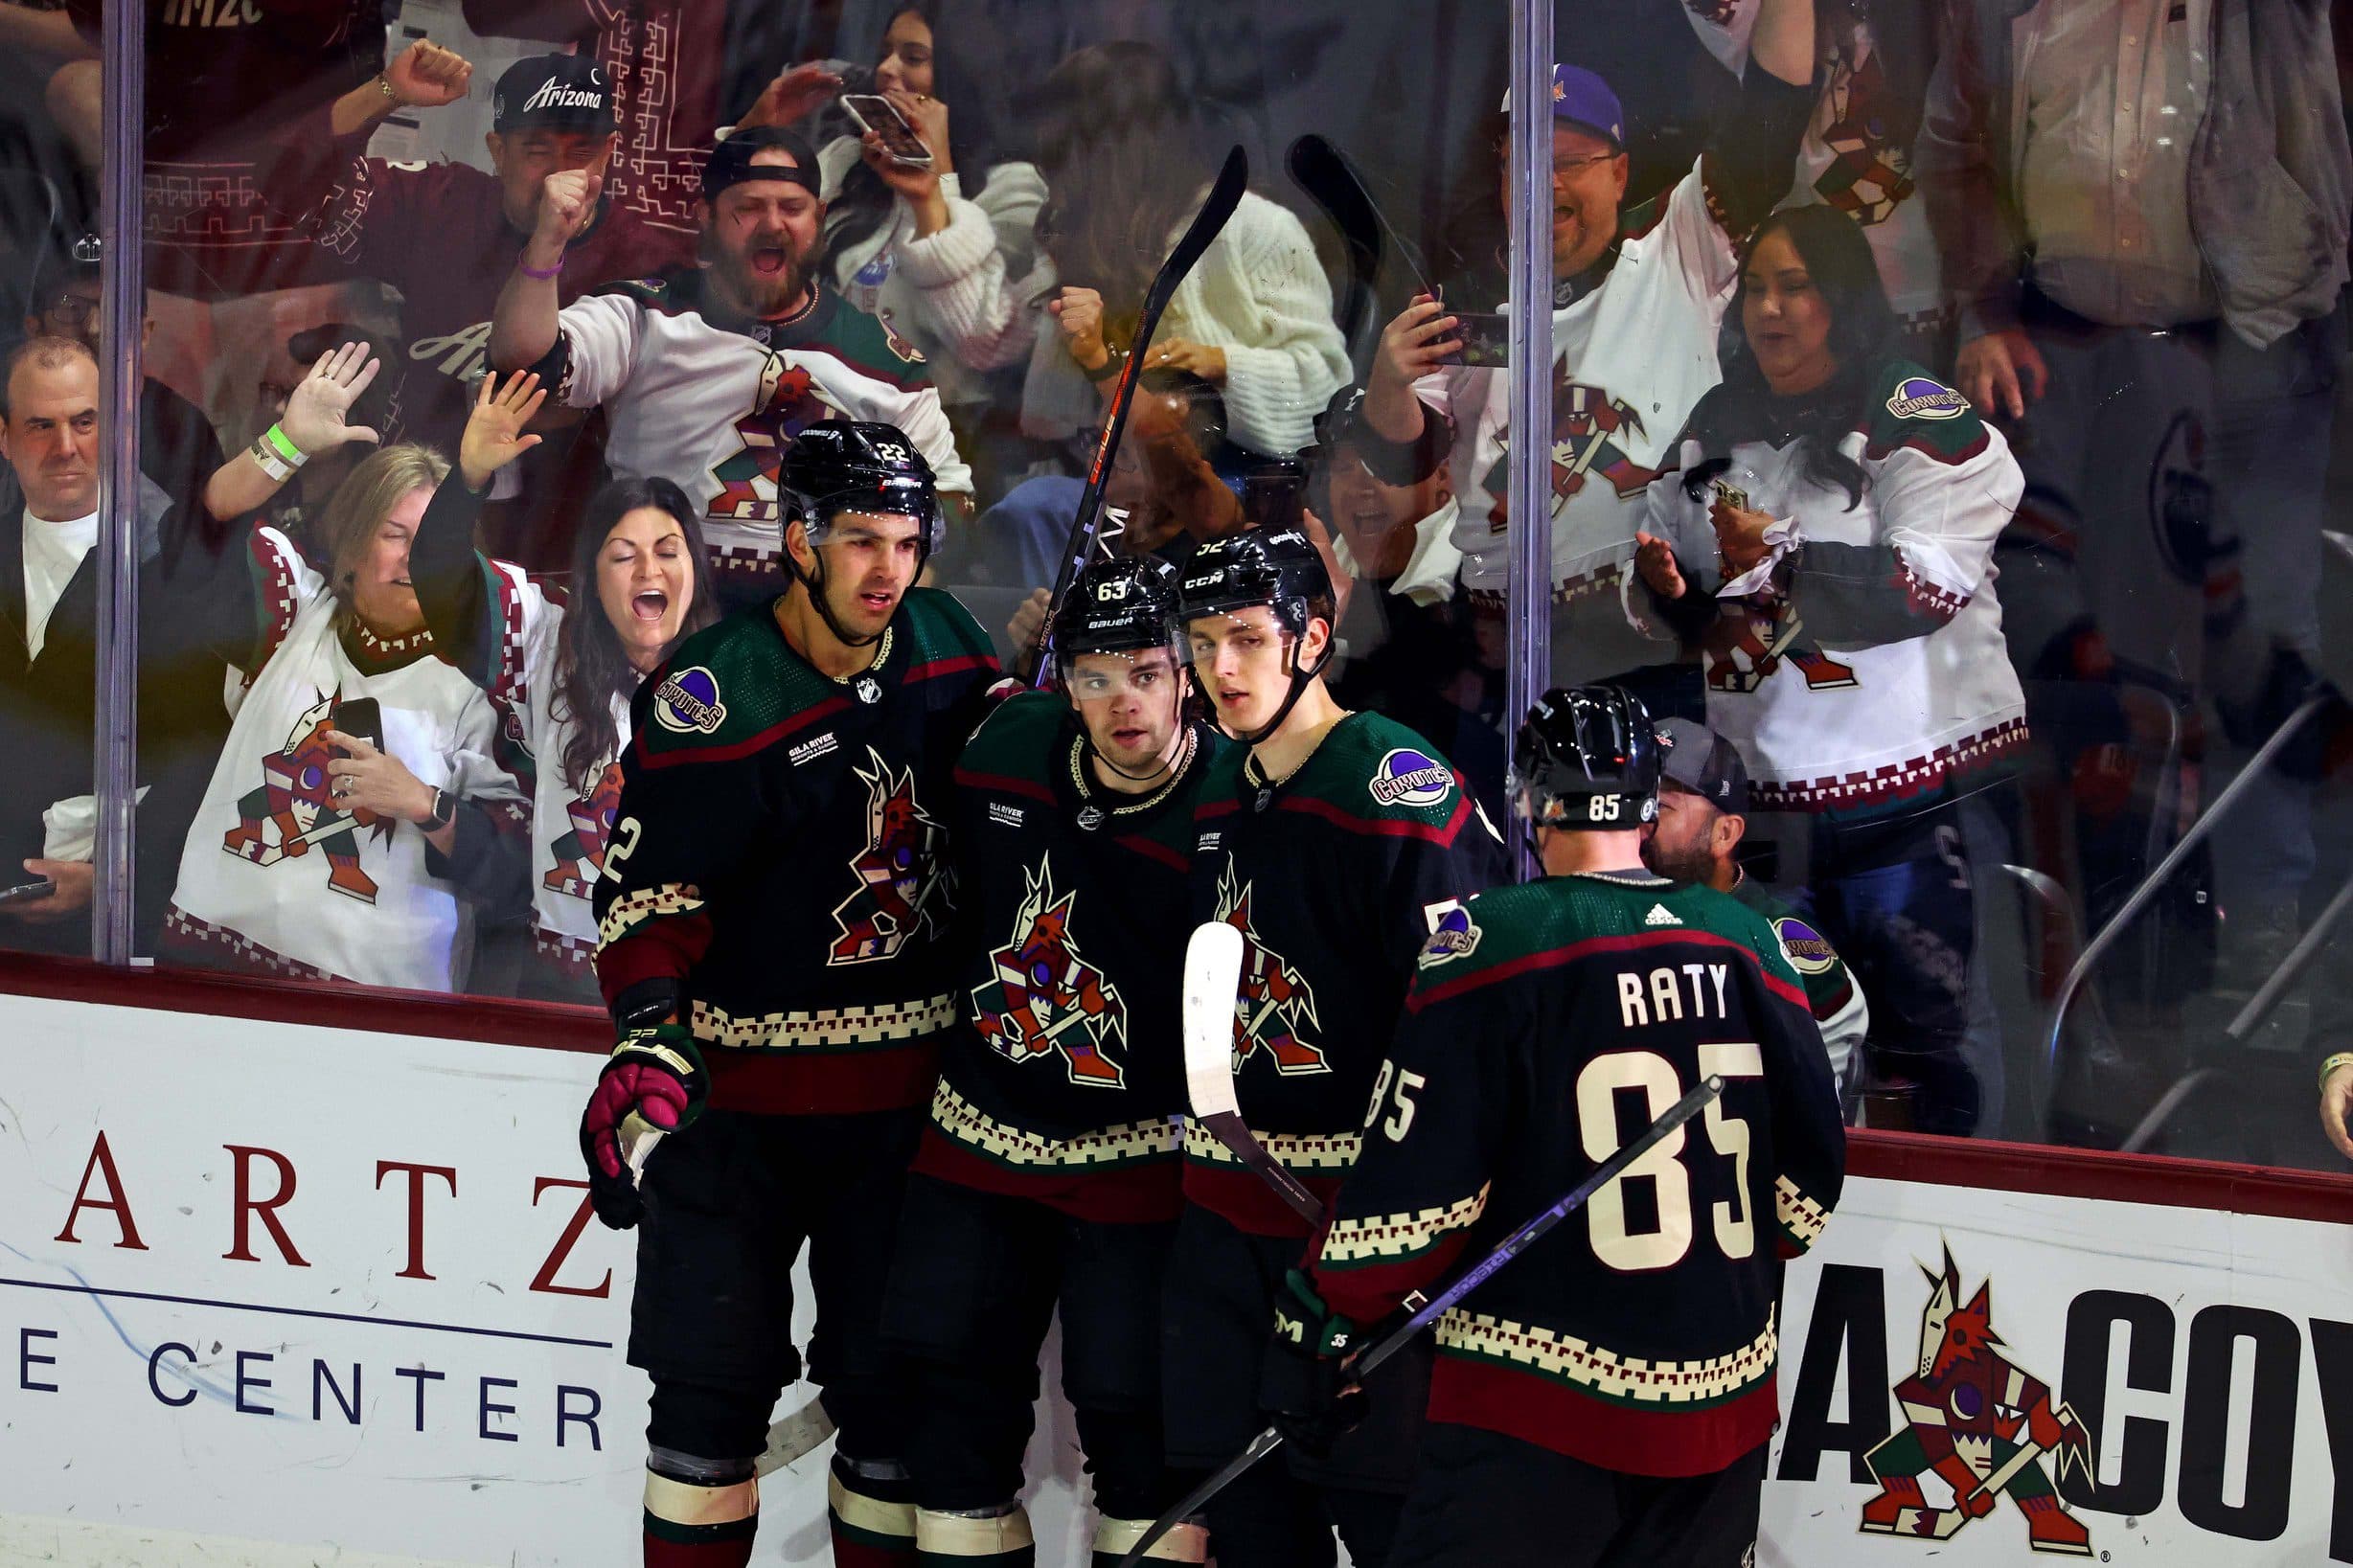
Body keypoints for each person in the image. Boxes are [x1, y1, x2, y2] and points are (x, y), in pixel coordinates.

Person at [1268, 685, 1845, 1568]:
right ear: (1650, 803)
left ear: (1529, 800)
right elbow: (1808, 1181)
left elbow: (1419, 1191)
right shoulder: (1748, 938)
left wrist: (1333, 1305)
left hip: (1536, 1405)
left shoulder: (1492, 941)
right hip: (1723, 1403)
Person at [577, 421, 1000, 1567]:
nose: (886, 570)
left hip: (904, 1115)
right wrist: (651, 1033)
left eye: (907, 542)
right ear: (796, 539)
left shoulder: (948, 645)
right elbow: (647, 894)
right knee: (705, 1409)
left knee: (890, 1405)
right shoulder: (713, 693)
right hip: (738, 1114)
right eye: (859, 538)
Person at [1917, 0, 2351, 994]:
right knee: (2052, 623)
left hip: (2248, 339)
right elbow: (1953, 142)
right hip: (2063, 340)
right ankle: (2068, 917)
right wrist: (1984, 307)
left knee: (2259, 626)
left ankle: (2264, 928)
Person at [1630, 203, 2025, 1137]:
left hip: (1918, 804)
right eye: (1756, 288)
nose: (1769, 309)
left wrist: (1776, 553)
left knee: (1937, 1052)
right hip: (1765, 810)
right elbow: (1700, 602)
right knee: (1773, 1049)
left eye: (1794, 285)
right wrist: (1670, 591)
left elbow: (1920, 589)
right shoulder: (1712, 422)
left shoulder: (1914, 415)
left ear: (1841, 299)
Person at [1168, 525, 1505, 1567]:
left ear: (1312, 636)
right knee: (1250, 1525)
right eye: (1201, 641)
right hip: (1224, 1229)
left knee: (1381, 1520)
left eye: (1246, 638)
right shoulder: (1223, 782)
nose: (1221, 668)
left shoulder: (1395, 789)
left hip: (1358, 1240)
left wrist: (1380, 1246)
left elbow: (1466, 1041)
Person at [879, 556, 1221, 1566]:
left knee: (1139, 1423)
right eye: (1098, 676)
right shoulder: (998, 748)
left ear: (1186, 672)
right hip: (981, 1132)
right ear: (1061, 680)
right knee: (943, 1400)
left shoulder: (1236, 797)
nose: (1127, 701)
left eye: (1149, 671)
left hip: (1146, 1159)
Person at [1342, 8, 1817, 705]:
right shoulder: (1466, 306)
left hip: (1657, 639)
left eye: (1571, 163)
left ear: (1621, 173)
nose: (1548, 185)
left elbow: (1775, 110)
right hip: (1503, 663)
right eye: (1526, 165)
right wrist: (1388, 380)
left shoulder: (1675, 243)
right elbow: (1403, 466)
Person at [161, 360, 536, 991]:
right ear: (356, 538)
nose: (417, 558)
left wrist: (424, 802)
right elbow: (199, 532)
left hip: (374, 1011)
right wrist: (286, 446)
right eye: (396, 534)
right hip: (212, 970)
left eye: (435, 542)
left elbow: (514, 868)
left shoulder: (483, 685)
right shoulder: (292, 609)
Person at [490, 125, 974, 608]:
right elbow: (526, 362)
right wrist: (548, 243)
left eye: (792, 208)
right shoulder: (644, 315)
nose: (772, 224)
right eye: (748, 207)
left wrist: (883, 601)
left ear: (819, 219)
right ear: (706, 216)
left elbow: (949, 499)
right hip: (659, 614)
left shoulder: (884, 360)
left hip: (813, 630)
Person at [910, 38, 1347, 566]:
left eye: (1061, 152)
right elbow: (988, 338)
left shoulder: (1253, 229)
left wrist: (1224, 365)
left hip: (1206, 504)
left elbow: (1327, 386)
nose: (1049, 172)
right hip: (1078, 496)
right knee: (1025, 514)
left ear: (1115, 150)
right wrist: (931, 193)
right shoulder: (1080, 235)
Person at [284, 49, 699, 570]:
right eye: (537, 151)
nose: (559, 177)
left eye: (582, 151)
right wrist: (385, 91)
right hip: (409, 520)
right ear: (497, 151)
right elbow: (287, 180)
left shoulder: (649, 261)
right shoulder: (440, 203)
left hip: (565, 556)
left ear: (610, 152)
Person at [403, 376, 723, 1002]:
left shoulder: (742, 673)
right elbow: (441, 581)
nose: (649, 570)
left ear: (696, 570)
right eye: (622, 554)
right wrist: (468, 479)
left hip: (691, 994)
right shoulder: (548, 640)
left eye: (668, 550)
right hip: (565, 984)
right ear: (592, 578)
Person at [0, 333, 307, 954]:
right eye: (41, 425)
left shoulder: (167, 564)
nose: (65, 447)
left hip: (118, 932)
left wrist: (114, 876)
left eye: (85, 421)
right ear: (4, 438)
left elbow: (210, 754)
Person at [737, 7, 1045, 432]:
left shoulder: (1014, 190)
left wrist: (936, 188)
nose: (886, 69)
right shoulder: (848, 162)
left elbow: (983, 342)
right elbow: (742, 252)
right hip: (805, 419)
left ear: (963, 75)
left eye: (913, 58)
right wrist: (756, 132)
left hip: (930, 440)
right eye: (885, 53)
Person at [1640, 715, 1868, 1099]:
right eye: (1633, 801)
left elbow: (1822, 1096)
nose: (1638, 822)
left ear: (1724, 833)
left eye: (1660, 806)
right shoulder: (1609, 912)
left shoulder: (1774, 938)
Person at [20, 234, 225, 520]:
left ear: (143, 334)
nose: (94, 327)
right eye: (72, 308)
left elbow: (205, 543)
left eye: (114, 309)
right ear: (35, 330)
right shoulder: (11, 419)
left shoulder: (181, 428)